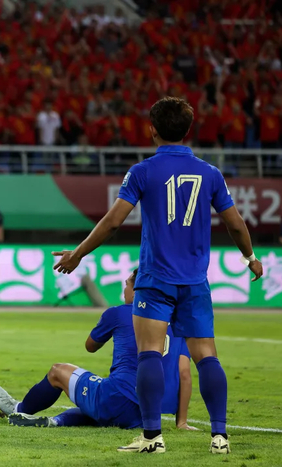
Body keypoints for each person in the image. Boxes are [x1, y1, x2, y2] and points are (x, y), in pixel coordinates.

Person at [52, 97, 264, 454]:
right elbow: (235, 223)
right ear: (188, 130)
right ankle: (219, 437)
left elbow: (113, 222)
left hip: (155, 279)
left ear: (152, 130)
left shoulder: (142, 171)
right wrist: (251, 258)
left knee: (149, 353)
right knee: (207, 356)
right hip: (194, 281)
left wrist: (78, 254)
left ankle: (152, 438)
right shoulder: (210, 174)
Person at [0, 269, 196, 432]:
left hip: (117, 396)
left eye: (127, 284)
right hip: (146, 415)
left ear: (137, 290)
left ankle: (19, 409)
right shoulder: (178, 322)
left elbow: (90, 346)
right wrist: (181, 422)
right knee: (98, 407)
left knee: (57, 371)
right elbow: (185, 375)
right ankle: (55, 422)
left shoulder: (119, 313)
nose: (124, 290)